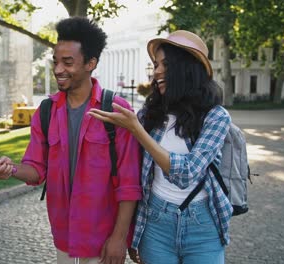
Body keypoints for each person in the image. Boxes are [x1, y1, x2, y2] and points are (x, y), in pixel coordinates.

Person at [0, 17, 142, 264]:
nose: (58, 69)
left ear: (91, 63)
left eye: (68, 63)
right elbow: (36, 170)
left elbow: (130, 183)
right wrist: (10, 169)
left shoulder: (116, 110)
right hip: (64, 238)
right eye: (56, 62)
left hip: (103, 240)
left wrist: (119, 238)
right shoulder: (46, 112)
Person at [88, 30, 232, 264]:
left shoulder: (216, 117)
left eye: (165, 64)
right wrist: (134, 231)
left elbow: (186, 174)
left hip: (203, 227)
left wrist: (137, 130)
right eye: (155, 64)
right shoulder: (150, 114)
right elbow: (134, 172)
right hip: (155, 225)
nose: (156, 72)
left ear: (187, 68)